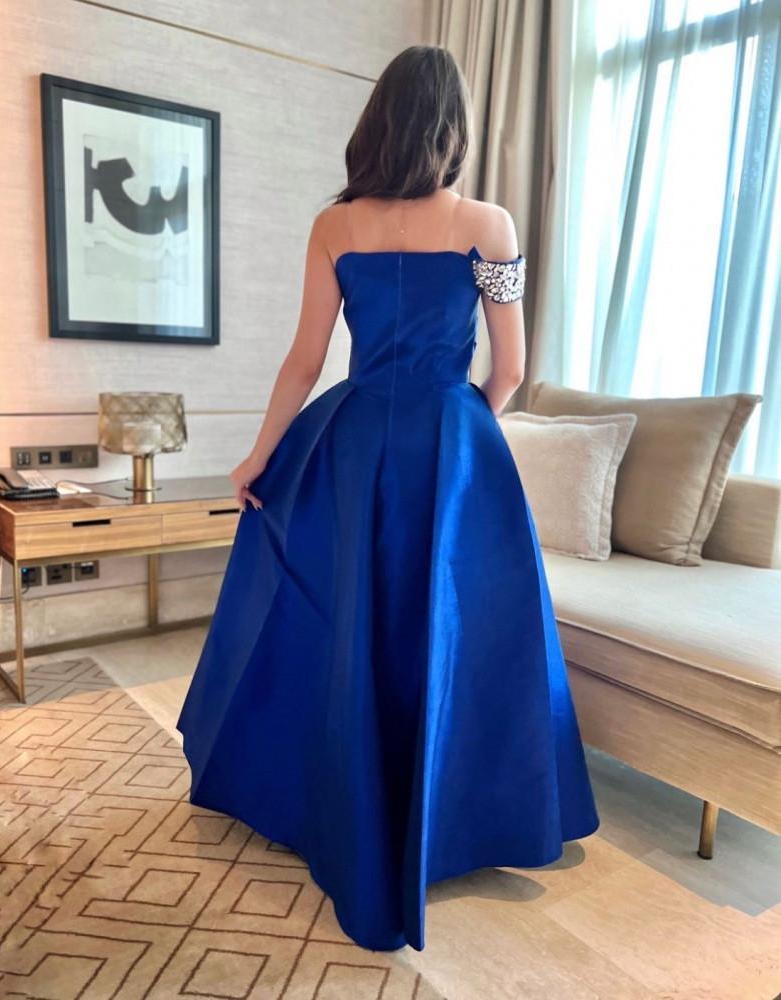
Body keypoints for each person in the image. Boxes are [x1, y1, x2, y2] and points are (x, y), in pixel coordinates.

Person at [176, 43, 600, 953]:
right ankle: (459, 816)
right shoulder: (491, 224)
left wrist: (258, 457)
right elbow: (512, 367)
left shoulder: (334, 227)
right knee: (457, 628)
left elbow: (304, 360)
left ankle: (339, 801)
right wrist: (462, 430)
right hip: (454, 443)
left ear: (377, 124)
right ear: (453, 129)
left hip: (356, 438)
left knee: (348, 621)